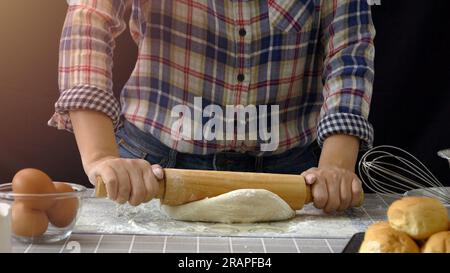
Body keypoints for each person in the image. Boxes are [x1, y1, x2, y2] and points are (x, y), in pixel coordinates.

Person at [49, 0, 376, 213]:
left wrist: (335, 167)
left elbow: (349, 54)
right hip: (151, 168)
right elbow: (89, 19)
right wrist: (101, 157)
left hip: (292, 177)